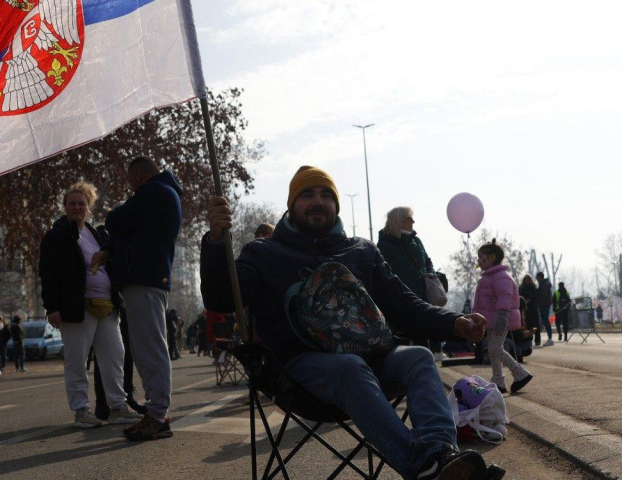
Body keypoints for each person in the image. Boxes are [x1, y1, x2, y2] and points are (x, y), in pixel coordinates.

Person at [203, 166, 493, 480]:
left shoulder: (362, 251)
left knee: (419, 358)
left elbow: (404, 304)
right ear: (291, 204)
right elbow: (221, 298)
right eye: (307, 194)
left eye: (327, 195)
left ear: (336, 205)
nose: (318, 201)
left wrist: (455, 323)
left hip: (375, 361)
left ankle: (441, 455)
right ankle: (423, 466)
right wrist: (217, 241)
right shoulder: (262, 252)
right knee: (349, 367)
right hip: (299, 373)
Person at [41, 181, 142, 429]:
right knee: (76, 360)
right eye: (72, 203)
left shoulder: (96, 233)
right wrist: (52, 306)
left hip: (107, 306)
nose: (76, 207)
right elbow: (48, 273)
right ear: (65, 206)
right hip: (76, 307)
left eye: (81, 203)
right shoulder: (56, 236)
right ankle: (81, 410)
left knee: (115, 357)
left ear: (89, 207)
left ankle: (118, 407)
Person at [104, 157, 183, 441]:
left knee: (150, 349)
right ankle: (156, 412)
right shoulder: (160, 194)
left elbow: (116, 221)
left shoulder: (154, 193)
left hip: (145, 279)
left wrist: (117, 211)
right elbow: (127, 230)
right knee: (147, 348)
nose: (130, 187)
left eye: (130, 181)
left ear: (137, 176)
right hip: (145, 279)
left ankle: (158, 415)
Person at [377, 207, 444, 354]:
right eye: (409, 218)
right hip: (399, 299)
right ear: (399, 220)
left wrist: (430, 275)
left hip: (421, 297)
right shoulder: (385, 244)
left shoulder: (416, 241)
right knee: (402, 341)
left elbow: (427, 261)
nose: (413, 221)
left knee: (423, 338)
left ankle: (426, 372)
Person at [474, 243, 533, 394]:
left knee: (495, 348)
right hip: (491, 319)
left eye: (482, 257)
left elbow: (505, 297)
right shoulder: (489, 277)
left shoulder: (500, 277)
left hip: (500, 318)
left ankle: (519, 373)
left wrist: (501, 316)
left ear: (492, 258)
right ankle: (498, 380)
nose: (479, 261)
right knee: (493, 349)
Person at [518, 275, 539, 346]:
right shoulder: (521, 288)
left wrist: (529, 300)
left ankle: (537, 340)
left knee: (535, 325)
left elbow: (535, 297)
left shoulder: (533, 287)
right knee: (527, 325)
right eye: (525, 279)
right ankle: (529, 340)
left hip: (533, 308)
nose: (527, 280)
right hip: (524, 309)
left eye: (528, 279)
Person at [535, 272, 554, 346]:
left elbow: (542, 296)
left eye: (537, 277)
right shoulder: (544, 283)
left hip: (544, 305)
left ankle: (550, 338)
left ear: (540, 277)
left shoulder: (543, 284)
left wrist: (539, 304)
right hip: (545, 305)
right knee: (545, 320)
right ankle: (550, 338)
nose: (536, 278)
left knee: (546, 320)